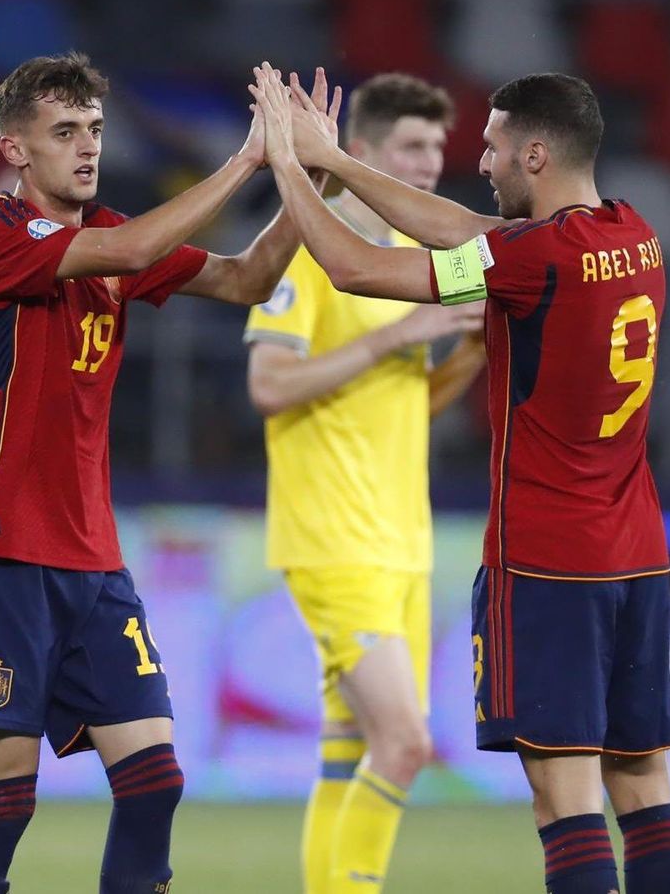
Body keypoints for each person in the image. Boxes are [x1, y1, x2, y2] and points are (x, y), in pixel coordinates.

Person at [249, 65, 670, 894]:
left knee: (565, 798)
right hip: (636, 552)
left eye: (492, 147)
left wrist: (290, 164)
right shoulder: (633, 234)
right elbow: (465, 230)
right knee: (643, 787)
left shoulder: (529, 262)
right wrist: (338, 162)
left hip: (550, 563)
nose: (479, 162)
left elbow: (354, 266)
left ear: (534, 154)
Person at [0, 52, 339, 894]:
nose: (87, 146)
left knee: (155, 781)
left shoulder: (110, 236)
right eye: (63, 132)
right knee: (5, 798)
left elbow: (247, 278)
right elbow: (132, 246)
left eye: (94, 129)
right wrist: (248, 158)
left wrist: (311, 181)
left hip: (93, 562)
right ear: (15, 149)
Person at [241, 72, 484, 894]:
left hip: (401, 545)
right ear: (361, 151)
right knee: (406, 744)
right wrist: (393, 338)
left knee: (351, 752)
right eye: (410, 147)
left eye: (436, 149)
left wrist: (472, 352)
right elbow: (269, 385)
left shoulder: (413, 265)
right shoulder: (316, 251)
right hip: (334, 540)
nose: (427, 164)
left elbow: (412, 399)